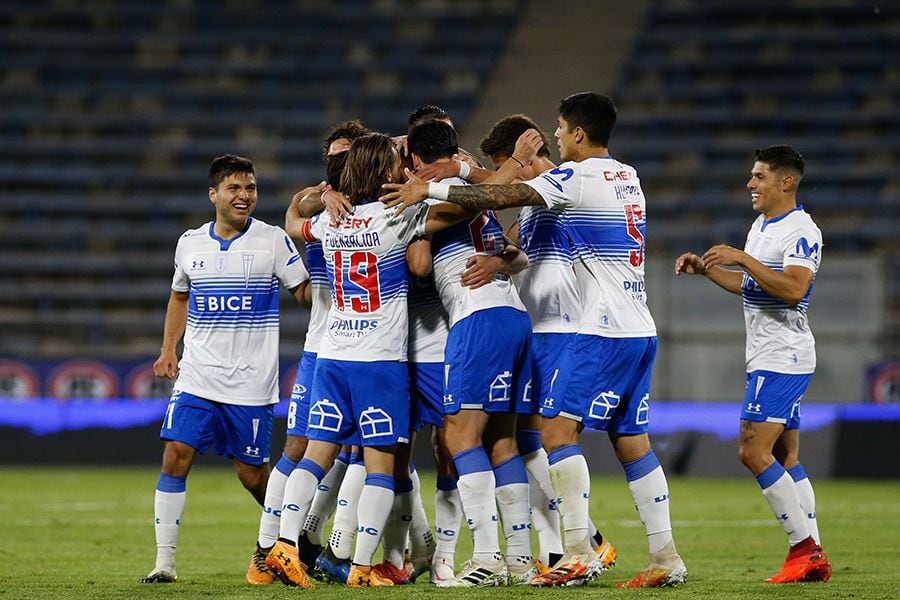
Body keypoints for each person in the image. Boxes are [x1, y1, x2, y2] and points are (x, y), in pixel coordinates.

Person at [381, 92, 687, 588]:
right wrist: (488, 197)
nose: (558, 135)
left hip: (589, 328)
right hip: (634, 324)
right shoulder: (627, 176)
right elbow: (514, 219)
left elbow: (502, 193)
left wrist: (431, 191)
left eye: (562, 129)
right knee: (627, 440)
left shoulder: (570, 179)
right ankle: (663, 554)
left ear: (579, 134)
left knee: (552, 435)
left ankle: (578, 550)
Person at [264, 132, 522, 587]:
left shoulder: (329, 222)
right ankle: (363, 566)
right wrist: (478, 172)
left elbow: (290, 223)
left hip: (332, 356)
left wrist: (323, 197)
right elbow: (465, 207)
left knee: (317, 455)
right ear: (383, 172)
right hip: (379, 361)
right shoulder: (396, 216)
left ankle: (283, 546)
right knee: (382, 464)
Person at [141, 154, 312, 584]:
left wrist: (332, 275)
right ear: (213, 193)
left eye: (250, 188)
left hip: (251, 383)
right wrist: (168, 348)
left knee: (252, 475)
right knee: (174, 456)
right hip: (198, 375)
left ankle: (293, 538)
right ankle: (165, 563)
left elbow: (304, 293)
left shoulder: (272, 240)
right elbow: (179, 296)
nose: (244, 196)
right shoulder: (190, 243)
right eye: (235, 188)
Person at [674, 145, 831, 584]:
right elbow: (753, 286)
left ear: (786, 182)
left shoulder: (802, 230)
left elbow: (794, 289)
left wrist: (744, 258)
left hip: (783, 355)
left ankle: (803, 550)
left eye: (759, 177)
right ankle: (812, 552)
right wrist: (707, 271)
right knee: (784, 454)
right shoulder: (762, 225)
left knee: (751, 450)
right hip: (771, 353)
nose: (750, 184)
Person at [477, 113, 617, 575]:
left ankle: (585, 541)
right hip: (534, 330)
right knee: (527, 439)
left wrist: (462, 176)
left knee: (543, 437)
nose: (509, 173)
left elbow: (498, 191)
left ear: (530, 154)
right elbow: (514, 248)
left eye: (511, 163)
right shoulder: (537, 206)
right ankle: (563, 546)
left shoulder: (563, 189)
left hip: (562, 329)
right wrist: (501, 262)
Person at [406, 119, 538, 587]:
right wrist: (500, 258)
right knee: (502, 441)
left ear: (418, 161)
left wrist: (413, 215)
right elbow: (515, 253)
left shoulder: (433, 191)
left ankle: (485, 556)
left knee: (460, 439)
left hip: (475, 321)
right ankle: (521, 558)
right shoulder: (475, 185)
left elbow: (420, 264)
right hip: (515, 317)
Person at [246, 121, 370, 585]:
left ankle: (317, 545)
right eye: (335, 157)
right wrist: (322, 194)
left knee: (354, 453)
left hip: (364, 347)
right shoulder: (319, 203)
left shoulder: (376, 202)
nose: (342, 164)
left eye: (351, 155)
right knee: (303, 448)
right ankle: (269, 549)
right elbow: (298, 208)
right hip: (327, 348)